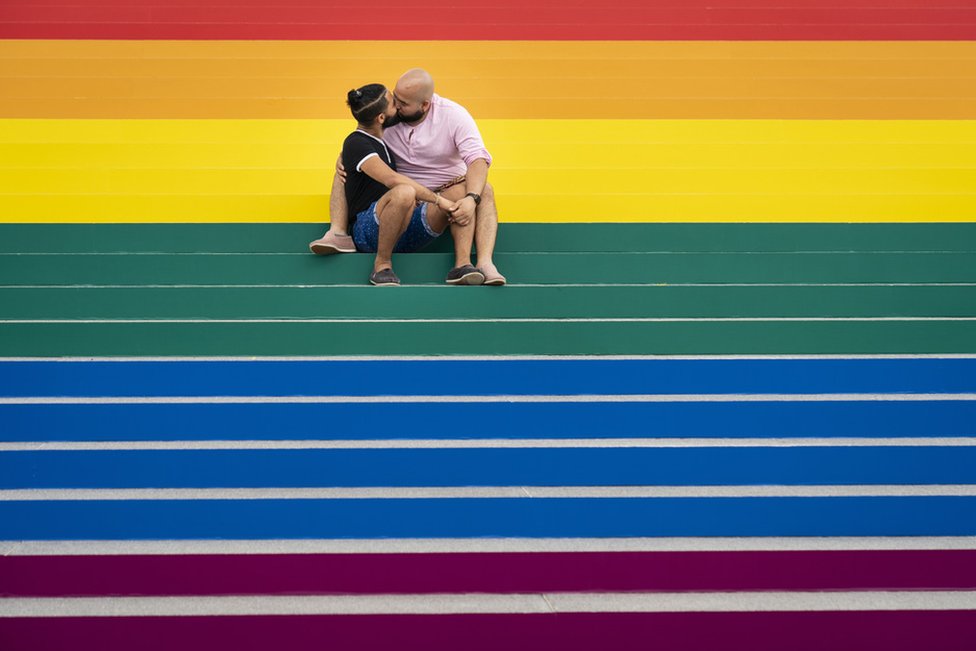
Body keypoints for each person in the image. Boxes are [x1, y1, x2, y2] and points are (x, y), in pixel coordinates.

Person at [310, 69, 506, 286]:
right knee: (356, 173)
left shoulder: (452, 115)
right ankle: (338, 233)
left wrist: (471, 199)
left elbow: (478, 158)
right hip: (400, 202)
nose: (397, 105)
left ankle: (474, 264)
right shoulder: (391, 119)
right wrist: (345, 155)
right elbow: (364, 133)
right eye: (394, 99)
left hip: (434, 198)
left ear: (424, 105)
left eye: (402, 103)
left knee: (481, 189)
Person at [330, 83, 462, 286]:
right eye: (393, 103)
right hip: (367, 231)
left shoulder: (382, 141)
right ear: (381, 118)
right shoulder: (356, 142)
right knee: (404, 192)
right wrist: (438, 200)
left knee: (462, 191)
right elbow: (392, 180)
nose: (398, 107)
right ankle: (382, 266)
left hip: (401, 229)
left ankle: (464, 265)